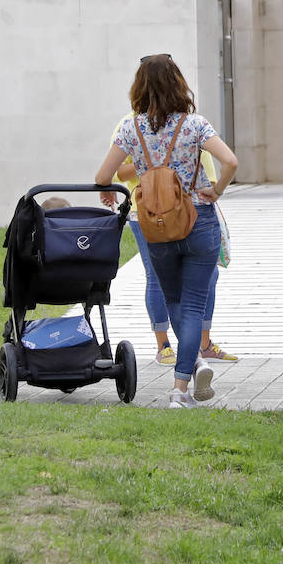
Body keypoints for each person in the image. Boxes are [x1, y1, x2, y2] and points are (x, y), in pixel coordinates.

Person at [95, 55, 238, 408]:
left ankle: (188, 371)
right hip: (198, 220)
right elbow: (231, 161)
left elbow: (104, 176)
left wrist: (105, 191)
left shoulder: (131, 129)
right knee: (192, 305)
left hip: (155, 225)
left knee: (174, 300)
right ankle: (180, 389)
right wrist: (216, 189)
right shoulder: (196, 125)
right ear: (178, 84)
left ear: (139, 88)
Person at [114, 147, 238, 366]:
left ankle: (204, 344)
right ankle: (164, 346)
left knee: (210, 274)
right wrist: (154, 163)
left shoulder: (192, 124)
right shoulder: (130, 126)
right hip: (148, 212)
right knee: (157, 276)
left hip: (192, 208)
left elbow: (211, 169)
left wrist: (213, 189)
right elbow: (117, 173)